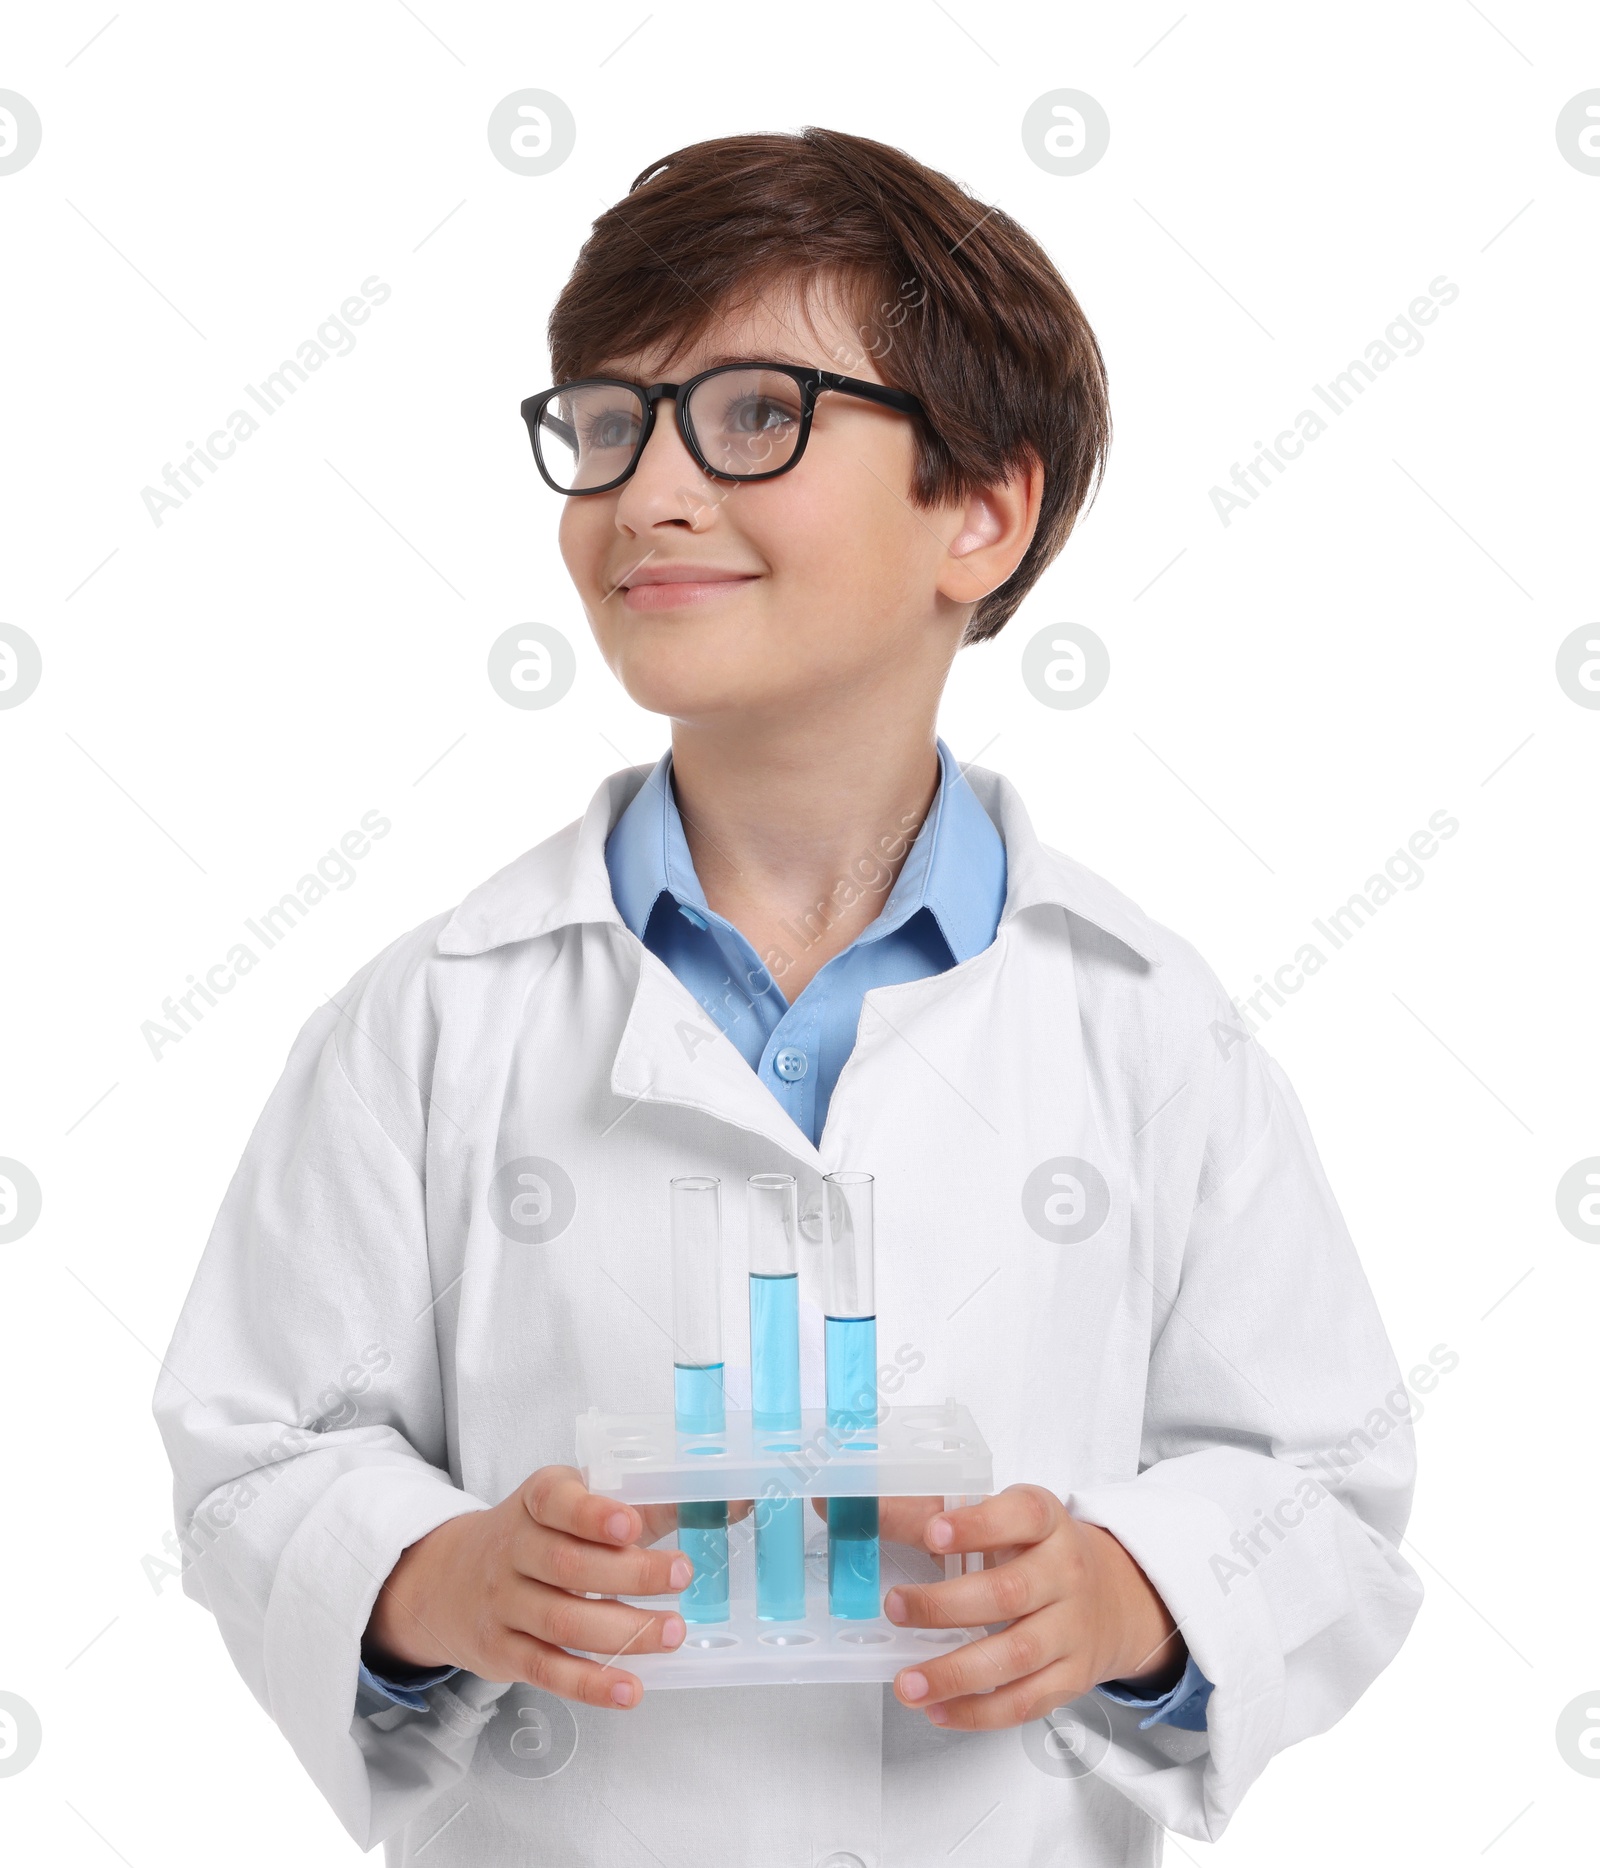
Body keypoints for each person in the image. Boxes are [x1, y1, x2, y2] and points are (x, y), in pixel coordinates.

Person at [153, 127, 1422, 1867]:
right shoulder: (433, 1022)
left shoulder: (1147, 1029)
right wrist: (433, 1575)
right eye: (610, 423)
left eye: (757, 414)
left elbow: (1323, 1486)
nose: (648, 491)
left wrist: (1129, 1596)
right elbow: (255, 1452)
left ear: (983, 510)